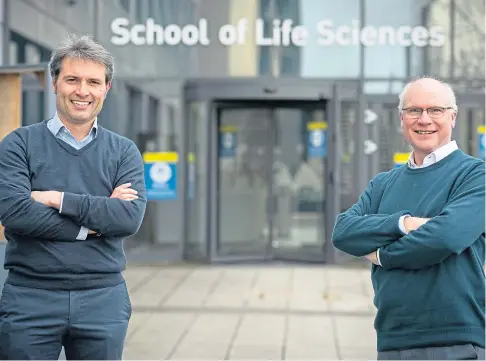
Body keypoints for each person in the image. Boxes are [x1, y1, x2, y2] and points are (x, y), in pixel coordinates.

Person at [0, 34, 147, 360]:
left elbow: (128, 218)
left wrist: (56, 198)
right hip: (30, 297)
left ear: (106, 89)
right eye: (72, 79)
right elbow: (15, 212)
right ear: (54, 83)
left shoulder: (123, 152)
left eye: (93, 81)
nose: (83, 90)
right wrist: (93, 222)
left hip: (102, 299)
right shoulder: (18, 145)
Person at [332, 77, 485, 360]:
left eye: (435, 110)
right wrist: (405, 223)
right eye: (414, 110)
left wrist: (381, 254)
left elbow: (445, 237)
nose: (424, 119)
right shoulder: (382, 184)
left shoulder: (476, 175)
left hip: (455, 341)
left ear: (453, 116)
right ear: (402, 119)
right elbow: (343, 232)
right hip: (392, 339)